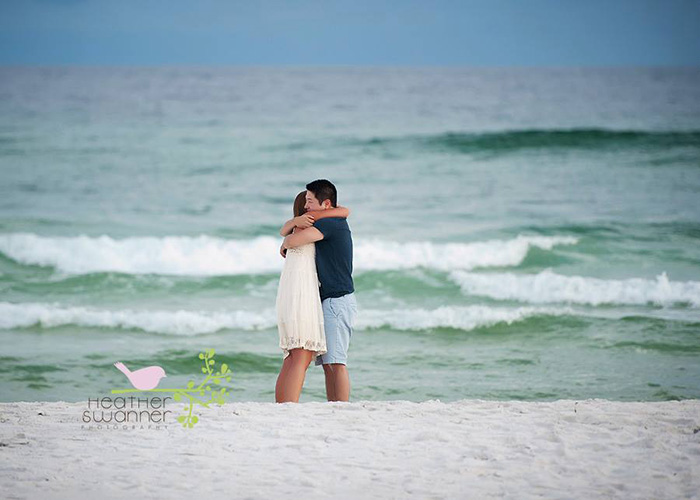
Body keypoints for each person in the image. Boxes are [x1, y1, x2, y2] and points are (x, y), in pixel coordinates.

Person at [282, 179, 357, 402]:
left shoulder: (331, 224)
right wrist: (293, 225)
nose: (306, 206)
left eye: (310, 201)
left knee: (336, 362)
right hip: (333, 300)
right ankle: (334, 407)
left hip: (337, 301)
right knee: (330, 364)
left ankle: (340, 408)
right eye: (305, 201)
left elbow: (294, 240)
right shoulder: (332, 219)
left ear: (325, 204)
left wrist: (287, 240)